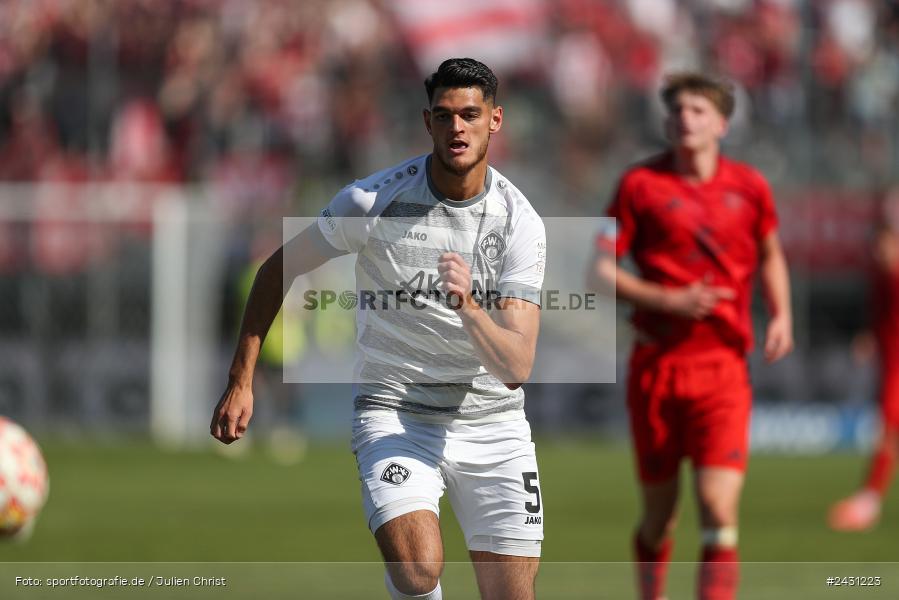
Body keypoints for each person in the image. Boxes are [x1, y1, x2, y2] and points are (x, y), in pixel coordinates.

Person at [211, 58, 546, 600]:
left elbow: (517, 367)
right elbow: (279, 267)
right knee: (418, 570)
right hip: (397, 413)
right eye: (444, 116)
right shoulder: (370, 202)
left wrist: (468, 307)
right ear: (427, 122)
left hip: (494, 424)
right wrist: (241, 378)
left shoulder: (520, 223)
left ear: (496, 120)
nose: (457, 127)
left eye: (470, 114)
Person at [589, 72, 793, 600]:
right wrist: (667, 300)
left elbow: (770, 253)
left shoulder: (750, 187)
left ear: (722, 123)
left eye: (698, 110)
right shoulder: (639, 186)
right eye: (677, 109)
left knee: (718, 509)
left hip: (722, 368)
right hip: (657, 367)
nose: (685, 118)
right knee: (658, 519)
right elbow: (599, 270)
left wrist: (782, 315)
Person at [829, 190, 899, 531]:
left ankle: (869, 501)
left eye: (883, 244)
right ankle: (869, 499)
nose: (877, 251)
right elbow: (880, 316)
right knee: (887, 432)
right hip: (890, 367)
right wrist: (869, 338)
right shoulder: (881, 277)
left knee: (886, 432)